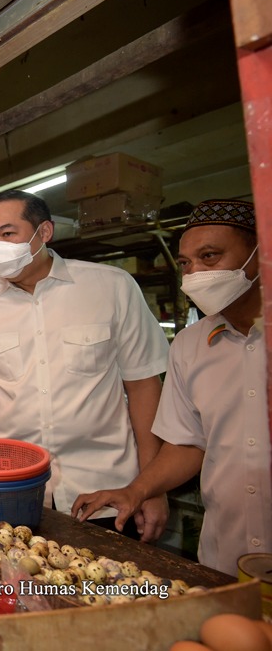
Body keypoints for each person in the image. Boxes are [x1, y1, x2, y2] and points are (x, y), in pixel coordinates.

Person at [0, 191, 170, 541]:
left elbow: (143, 386)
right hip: (11, 492)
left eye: (8, 233)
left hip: (104, 490)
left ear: (44, 232)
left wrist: (151, 486)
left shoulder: (110, 287)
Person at [73, 199, 271, 574]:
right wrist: (138, 490)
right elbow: (188, 442)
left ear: (260, 254)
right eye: (185, 263)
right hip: (226, 552)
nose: (194, 273)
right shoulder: (190, 345)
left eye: (209, 257)